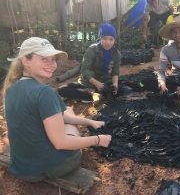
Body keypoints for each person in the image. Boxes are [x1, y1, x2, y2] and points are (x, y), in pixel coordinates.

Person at [2, 37, 111, 182]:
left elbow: (54, 116)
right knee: (69, 121)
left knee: (66, 114)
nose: (51, 64)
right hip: (49, 168)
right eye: (44, 59)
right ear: (25, 61)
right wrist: (97, 140)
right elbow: (60, 143)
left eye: (53, 59)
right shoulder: (44, 93)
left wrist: (90, 122)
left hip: (23, 167)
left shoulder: (11, 88)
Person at [58, 23, 121, 103]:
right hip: (88, 82)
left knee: (122, 90)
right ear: (100, 38)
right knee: (62, 89)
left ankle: (91, 96)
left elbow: (115, 72)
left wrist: (115, 84)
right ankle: (93, 95)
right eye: (105, 38)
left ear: (114, 40)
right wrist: (97, 84)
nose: (108, 42)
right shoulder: (92, 50)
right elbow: (84, 70)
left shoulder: (116, 53)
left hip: (105, 83)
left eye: (111, 39)